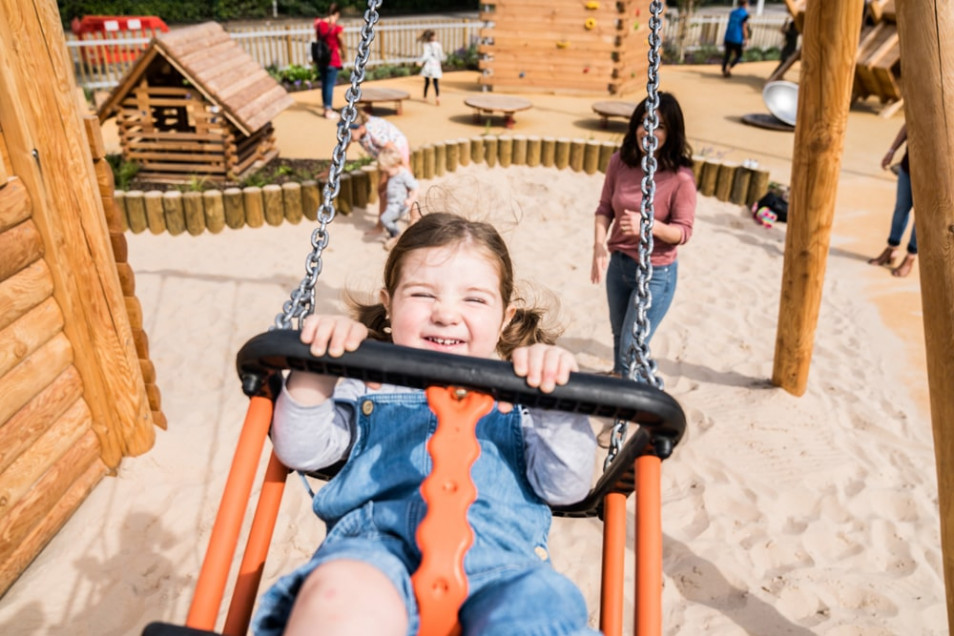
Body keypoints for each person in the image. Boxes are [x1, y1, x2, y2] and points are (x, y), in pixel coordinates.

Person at [252, 212, 600, 636]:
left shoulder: (522, 399)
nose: (446, 314)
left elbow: (567, 487)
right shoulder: (367, 381)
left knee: (542, 607)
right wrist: (318, 365)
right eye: (421, 294)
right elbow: (299, 448)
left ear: (506, 318)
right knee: (337, 595)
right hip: (372, 551)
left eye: (474, 299)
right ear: (388, 302)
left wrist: (557, 402)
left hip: (505, 567)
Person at [591, 92, 696, 376]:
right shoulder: (619, 162)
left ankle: (633, 406)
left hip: (655, 273)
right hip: (620, 265)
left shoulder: (681, 178)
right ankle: (619, 384)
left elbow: (683, 232)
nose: (648, 131)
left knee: (631, 347)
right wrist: (598, 246)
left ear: (671, 132)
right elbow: (604, 208)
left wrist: (648, 226)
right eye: (644, 122)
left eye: (659, 125)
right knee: (618, 338)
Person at [348, 110, 411, 236]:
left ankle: (414, 218)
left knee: (405, 187)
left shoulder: (375, 134)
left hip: (396, 151)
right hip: (385, 155)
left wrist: (406, 171)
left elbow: (394, 150)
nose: (346, 136)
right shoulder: (354, 131)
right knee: (382, 191)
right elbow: (341, 151)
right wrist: (329, 170)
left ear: (360, 128)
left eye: (348, 132)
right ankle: (381, 225)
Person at [867, 123, 917, 277]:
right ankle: (892, 248)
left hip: (936, 176)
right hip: (908, 166)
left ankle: (910, 257)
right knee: (901, 208)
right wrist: (891, 151)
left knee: (922, 218)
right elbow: (909, 124)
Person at [376, 145, 420, 248]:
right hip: (392, 204)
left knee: (384, 219)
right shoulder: (394, 173)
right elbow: (394, 185)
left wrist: (411, 200)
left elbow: (416, 187)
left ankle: (396, 235)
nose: (387, 174)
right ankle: (394, 237)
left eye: (387, 172)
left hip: (399, 206)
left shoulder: (404, 175)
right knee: (392, 221)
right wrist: (386, 193)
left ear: (395, 165)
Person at [314, 3, 345, 120]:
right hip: (333, 59)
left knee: (324, 83)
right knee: (329, 85)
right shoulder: (336, 28)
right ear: (336, 14)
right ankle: (328, 110)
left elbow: (318, 38)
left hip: (321, 58)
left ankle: (326, 106)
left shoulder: (319, 25)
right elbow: (341, 42)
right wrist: (344, 54)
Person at [721, 0, 751, 78]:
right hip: (737, 38)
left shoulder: (733, 12)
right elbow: (744, 27)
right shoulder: (744, 14)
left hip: (728, 36)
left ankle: (724, 69)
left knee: (727, 54)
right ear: (745, 4)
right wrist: (746, 39)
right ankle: (729, 67)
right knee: (738, 56)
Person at [415, 29, 445, 105]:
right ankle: (437, 97)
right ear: (432, 37)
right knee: (435, 82)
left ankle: (425, 97)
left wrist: (420, 61)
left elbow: (425, 55)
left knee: (427, 82)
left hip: (428, 66)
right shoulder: (438, 45)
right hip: (435, 66)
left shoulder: (426, 45)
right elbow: (441, 56)